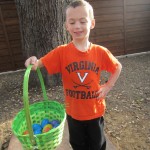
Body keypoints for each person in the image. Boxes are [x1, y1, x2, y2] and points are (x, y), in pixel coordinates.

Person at [25, 0, 122, 149]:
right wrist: (33, 61)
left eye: (83, 21)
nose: (77, 26)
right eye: (72, 22)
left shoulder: (100, 52)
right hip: (73, 112)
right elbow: (38, 64)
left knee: (97, 144)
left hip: (94, 112)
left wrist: (108, 86)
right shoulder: (61, 52)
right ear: (66, 26)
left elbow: (117, 67)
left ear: (92, 23)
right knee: (77, 144)